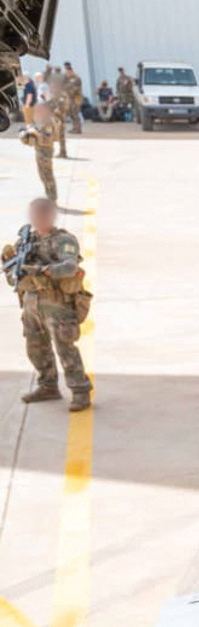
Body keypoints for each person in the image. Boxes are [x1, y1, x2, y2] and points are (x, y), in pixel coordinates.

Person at [4, 198, 93, 411]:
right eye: (35, 214)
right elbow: (13, 275)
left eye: (43, 214)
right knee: (35, 347)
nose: (38, 219)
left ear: (51, 215)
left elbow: (70, 267)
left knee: (65, 348)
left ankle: (80, 391)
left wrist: (42, 271)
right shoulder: (26, 242)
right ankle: (47, 385)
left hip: (57, 304)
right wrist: (14, 270)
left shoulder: (63, 240)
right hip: (31, 303)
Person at [22, 103, 62, 202]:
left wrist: (35, 133)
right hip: (40, 150)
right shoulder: (43, 121)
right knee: (42, 175)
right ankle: (49, 196)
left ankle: (52, 198)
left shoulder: (49, 123)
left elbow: (48, 139)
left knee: (47, 175)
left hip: (45, 151)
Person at [61, 63, 83, 135]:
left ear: (71, 71)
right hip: (69, 99)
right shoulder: (67, 79)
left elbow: (75, 89)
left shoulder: (76, 79)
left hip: (76, 99)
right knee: (71, 114)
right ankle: (74, 128)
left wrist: (68, 92)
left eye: (67, 72)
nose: (66, 73)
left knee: (75, 114)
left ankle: (78, 129)